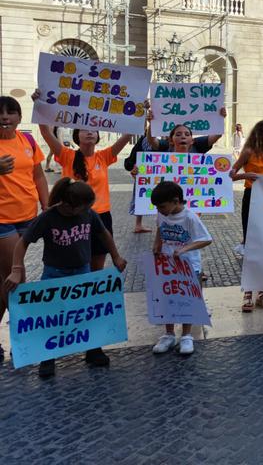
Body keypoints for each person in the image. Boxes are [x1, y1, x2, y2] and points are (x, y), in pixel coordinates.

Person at [4, 179, 126, 377]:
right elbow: (23, 242)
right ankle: (48, 357)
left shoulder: (88, 213)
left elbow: (103, 233)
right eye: (84, 207)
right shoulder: (48, 217)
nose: (87, 210)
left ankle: (93, 350)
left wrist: (116, 256)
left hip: (82, 270)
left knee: (86, 312)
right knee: (52, 315)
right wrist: (17, 269)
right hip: (55, 273)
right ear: (68, 205)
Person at [36, 117, 132, 272]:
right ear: (76, 135)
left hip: (101, 216)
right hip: (74, 218)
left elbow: (127, 136)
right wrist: (40, 107)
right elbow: (46, 132)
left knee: (96, 268)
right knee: (76, 265)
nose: (90, 133)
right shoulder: (67, 155)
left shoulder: (104, 156)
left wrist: (142, 111)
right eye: (84, 130)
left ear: (98, 136)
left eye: (94, 130)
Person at [0, 96, 49, 362]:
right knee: (15, 275)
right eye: (1, 113)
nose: (5, 117)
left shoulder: (27, 141)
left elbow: (38, 175)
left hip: (27, 217)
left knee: (5, 281)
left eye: (11, 112)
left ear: (19, 117)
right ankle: (24, 338)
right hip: (2, 220)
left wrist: (47, 206)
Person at [150, 182, 212, 356]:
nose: (160, 210)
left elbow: (206, 239)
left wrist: (184, 249)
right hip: (167, 264)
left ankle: (186, 335)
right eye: (157, 207)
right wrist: (157, 243)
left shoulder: (190, 217)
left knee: (187, 300)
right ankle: (168, 334)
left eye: (162, 206)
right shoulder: (163, 214)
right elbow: (159, 227)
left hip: (188, 265)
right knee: (166, 299)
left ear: (176, 201)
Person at [230, 120, 263, 310]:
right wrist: (248, 175)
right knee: (251, 245)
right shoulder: (249, 152)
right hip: (252, 197)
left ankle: (262, 292)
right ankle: (248, 292)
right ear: (261, 133)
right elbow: (232, 173)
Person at [124, 135, 152, 234]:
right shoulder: (147, 139)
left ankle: (138, 224)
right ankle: (138, 224)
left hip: (148, 172)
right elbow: (145, 156)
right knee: (141, 196)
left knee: (141, 195)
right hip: (148, 173)